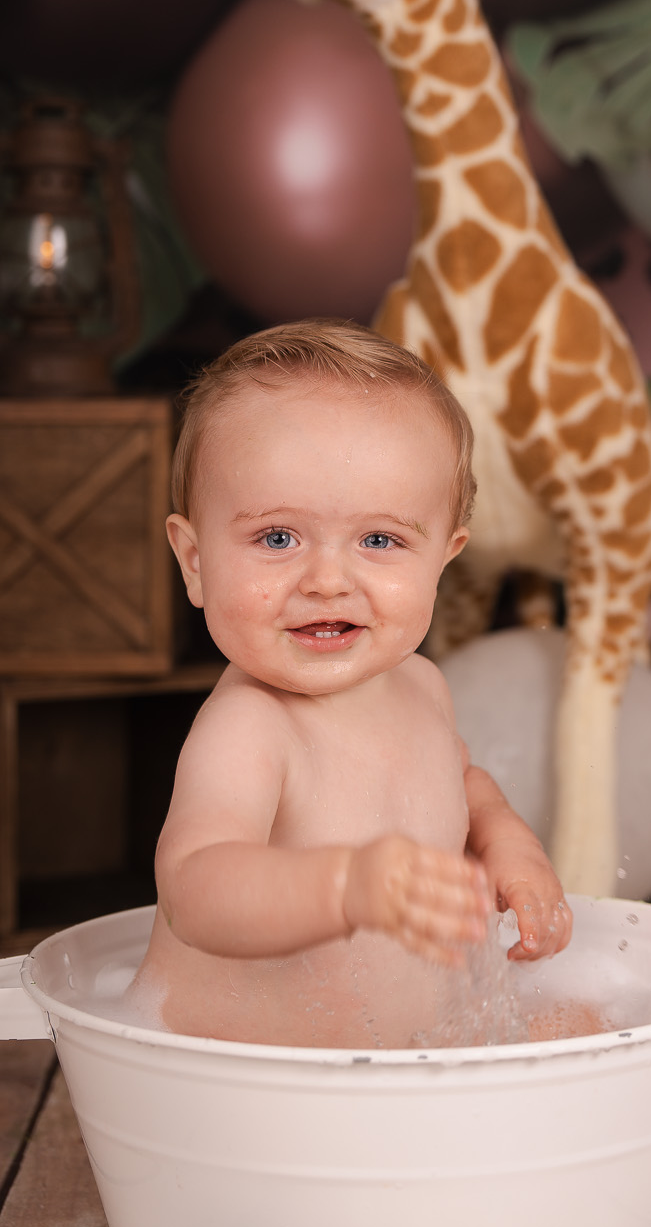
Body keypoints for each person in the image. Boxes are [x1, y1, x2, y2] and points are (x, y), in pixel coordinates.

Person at [134, 319, 572, 1047]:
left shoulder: (421, 684)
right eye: (277, 538)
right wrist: (345, 887)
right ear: (195, 561)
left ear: (443, 557)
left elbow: (458, 781)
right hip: (246, 1084)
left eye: (379, 540)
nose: (327, 581)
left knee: (583, 1030)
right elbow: (195, 891)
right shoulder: (251, 727)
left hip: (403, 1068)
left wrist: (506, 844)